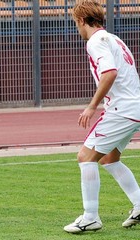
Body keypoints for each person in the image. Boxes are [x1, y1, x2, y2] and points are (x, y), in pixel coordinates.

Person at [64, 0, 140, 234]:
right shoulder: (114, 38)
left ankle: (90, 217)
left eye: (75, 22)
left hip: (122, 110)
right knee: (109, 158)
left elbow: (110, 73)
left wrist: (91, 106)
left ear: (81, 20)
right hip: (133, 107)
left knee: (85, 156)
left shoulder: (95, 42)